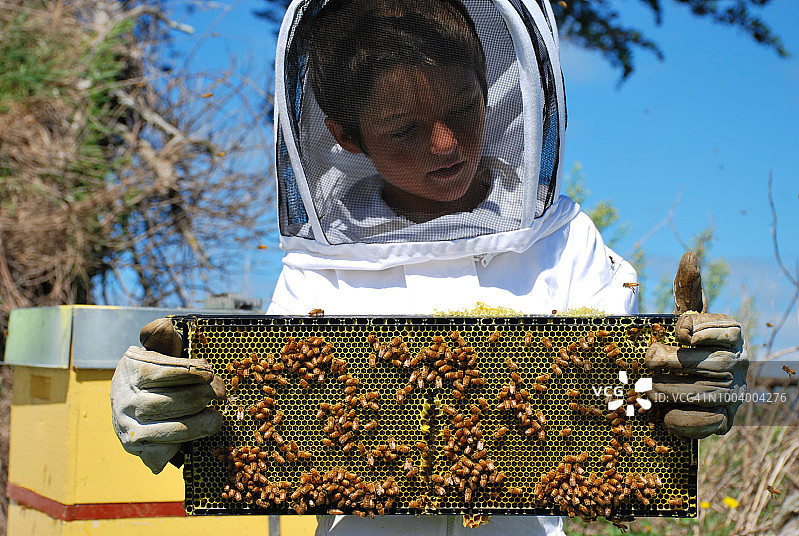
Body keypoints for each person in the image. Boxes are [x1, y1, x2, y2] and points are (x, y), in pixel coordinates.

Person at [111, 0, 747, 534]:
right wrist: (172, 412)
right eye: (406, 129)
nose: (445, 144)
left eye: (463, 108)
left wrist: (692, 387)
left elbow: (626, 400)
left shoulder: (563, 242)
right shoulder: (320, 271)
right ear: (345, 134)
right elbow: (254, 424)